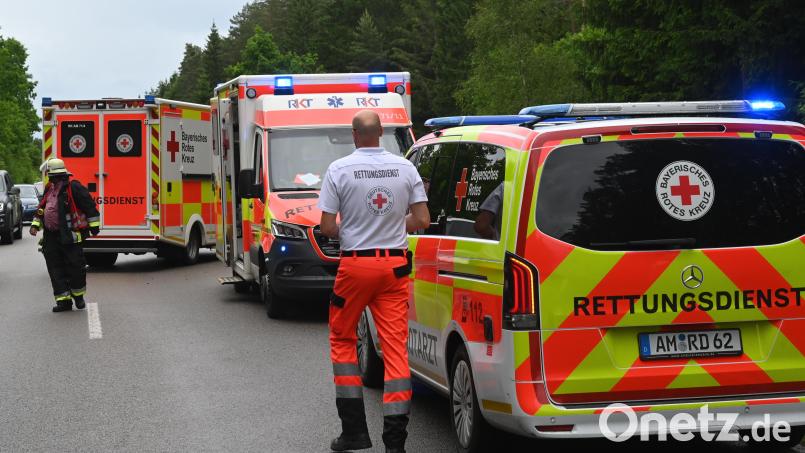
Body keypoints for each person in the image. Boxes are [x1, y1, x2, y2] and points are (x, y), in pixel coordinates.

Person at [318, 110, 430, 453]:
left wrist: (350, 229)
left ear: (354, 135)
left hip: (355, 267)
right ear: (380, 132)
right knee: (396, 350)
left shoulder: (339, 169)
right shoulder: (405, 168)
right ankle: (395, 443)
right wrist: (395, 224)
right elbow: (422, 220)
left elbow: (326, 227)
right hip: (394, 267)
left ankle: (354, 431)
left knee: (342, 337)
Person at [30, 159, 100, 312]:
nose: (51, 179)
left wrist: (94, 227)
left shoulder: (74, 188)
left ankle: (78, 296)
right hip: (51, 237)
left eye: (54, 176)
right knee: (55, 269)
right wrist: (35, 225)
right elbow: (42, 209)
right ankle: (64, 301)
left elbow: (90, 206)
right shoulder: (49, 189)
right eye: (51, 176)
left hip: (70, 236)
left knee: (76, 267)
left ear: (62, 176)